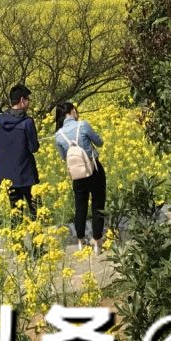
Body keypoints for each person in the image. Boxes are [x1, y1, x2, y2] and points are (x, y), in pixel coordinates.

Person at [55, 97, 107, 247]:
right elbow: (99, 142)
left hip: (77, 174)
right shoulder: (82, 125)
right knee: (98, 204)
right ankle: (97, 240)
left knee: (80, 206)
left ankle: (80, 240)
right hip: (94, 169)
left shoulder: (59, 135)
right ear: (72, 111)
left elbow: (64, 157)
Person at [0, 83, 40, 214]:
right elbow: (33, 148)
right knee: (37, 209)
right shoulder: (27, 122)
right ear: (22, 100)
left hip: (7, 175)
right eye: (28, 100)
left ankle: (17, 234)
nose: (29, 103)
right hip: (26, 173)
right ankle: (37, 232)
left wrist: (5, 145)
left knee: (15, 211)